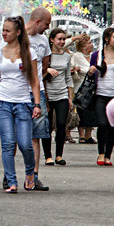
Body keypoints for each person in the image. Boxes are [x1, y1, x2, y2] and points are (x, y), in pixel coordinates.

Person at [0, 16, 42, 193]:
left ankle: (30, 174)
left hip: (23, 103)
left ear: (18, 32)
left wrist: (37, 104)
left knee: (25, 144)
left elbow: (34, 80)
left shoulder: (29, 52)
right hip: (2, 102)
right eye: (3, 30)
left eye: (8, 31)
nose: (3, 34)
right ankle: (11, 181)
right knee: (7, 143)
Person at [88, 27, 114, 166]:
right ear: (106, 39)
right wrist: (90, 72)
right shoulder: (96, 55)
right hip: (100, 94)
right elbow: (90, 75)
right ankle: (101, 153)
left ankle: (108, 156)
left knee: (112, 126)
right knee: (102, 124)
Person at [25, 7, 52, 189]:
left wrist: (37, 85)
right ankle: (9, 175)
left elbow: (45, 64)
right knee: (13, 137)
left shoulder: (43, 41)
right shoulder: (19, 37)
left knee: (36, 136)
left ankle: (33, 177)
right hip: (18, 92)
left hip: (38, 91)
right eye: (46, 24)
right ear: (37, 22)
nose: (47, 28)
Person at [44, 28, 74, 167]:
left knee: (61, 124)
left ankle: (59, 155)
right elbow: (37, 74)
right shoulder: (46, 56)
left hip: (62, 94)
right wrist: (47, 70)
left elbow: (68, 78)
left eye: (63, 39)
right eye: (59, 39)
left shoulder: (67, 57)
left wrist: (70, 97)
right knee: (47, 126)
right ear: (52, 40)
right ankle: (48, 156)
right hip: (47, 95)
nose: (62, 42)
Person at [70, 34, 95, 144]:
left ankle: (89, 135)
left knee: (91, 112)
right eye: (89, 43)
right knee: (81, 112)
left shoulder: (94, 56)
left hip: (92, 88)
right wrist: (77, 70)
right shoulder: (76, 56)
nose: (92, 45)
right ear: (83, 46)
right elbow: (73, 70)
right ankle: (81, 135)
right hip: (80, 88)